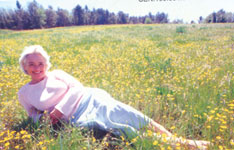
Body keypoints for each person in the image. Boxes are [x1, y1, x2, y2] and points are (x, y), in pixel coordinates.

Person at [18, 45, 210, 149]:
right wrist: (44, 119)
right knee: (121, 129)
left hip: (90, 98)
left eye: (41, 63)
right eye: (32, 64)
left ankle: (181, 140)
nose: (37, 68)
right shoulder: (24, 93)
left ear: (46, 64)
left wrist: (58, 111)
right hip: (77, 118)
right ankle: (174, 144)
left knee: (130, 114)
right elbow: (32, 114)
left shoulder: (58, 74)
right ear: (24, 67)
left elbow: (78, 87)